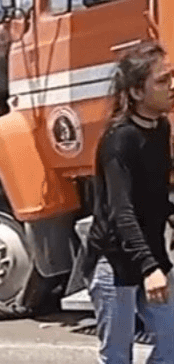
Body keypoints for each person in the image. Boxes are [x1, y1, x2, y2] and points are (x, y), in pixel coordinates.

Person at [85, 42, 174, 363]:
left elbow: (154, 194)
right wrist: (149, 268)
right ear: (137, 92)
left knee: (171, 344)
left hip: (149, 254)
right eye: (162, 81)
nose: (172, 87)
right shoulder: (120, 139)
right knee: (118, 356)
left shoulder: (160, 128)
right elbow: (121, 211)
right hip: (114, 262)